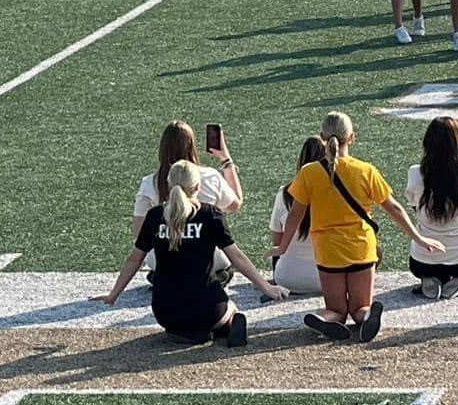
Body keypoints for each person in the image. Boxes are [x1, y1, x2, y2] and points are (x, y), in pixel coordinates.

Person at [277, 112, 443, 343]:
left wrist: (282, 246)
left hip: (328, 250)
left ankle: (325, 319)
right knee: (360, 306)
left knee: (336, 309)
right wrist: (418, 237)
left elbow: (296, 213)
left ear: (323, 136)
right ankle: (367, 317)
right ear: (352, 138)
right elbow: (393, 208)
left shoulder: (309, 173)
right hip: (362, 247)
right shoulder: (366, 170)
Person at [100, 161, 287, 347]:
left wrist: (113, 294)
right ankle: (226, 326)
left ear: (168, 185)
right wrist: (267, 288)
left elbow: (135, 259)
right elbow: (236, 257)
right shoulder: (210, 214)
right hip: (207, 308)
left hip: (165, 311)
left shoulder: (155, 216)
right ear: (197, 186)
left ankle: (187, 331)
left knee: (176, 301)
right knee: (231, 307)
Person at [132, 120, 242, 279]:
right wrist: (227, 161)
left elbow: (138, 230)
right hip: (208, 259)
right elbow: (235, 204)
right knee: (223, 263)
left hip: (162, 260)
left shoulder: (149, 183)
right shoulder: (210, 176)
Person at [405, 116, 458, 299]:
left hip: (422, 261)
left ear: (427, 143)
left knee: (428, 262)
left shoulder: (415, 173)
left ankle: (430, 279)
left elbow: (414, 207)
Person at [269, 138, 326, 296]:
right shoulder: (333, 194)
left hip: (286, 278)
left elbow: (277, 240)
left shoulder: (284, 193)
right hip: (329, 279)